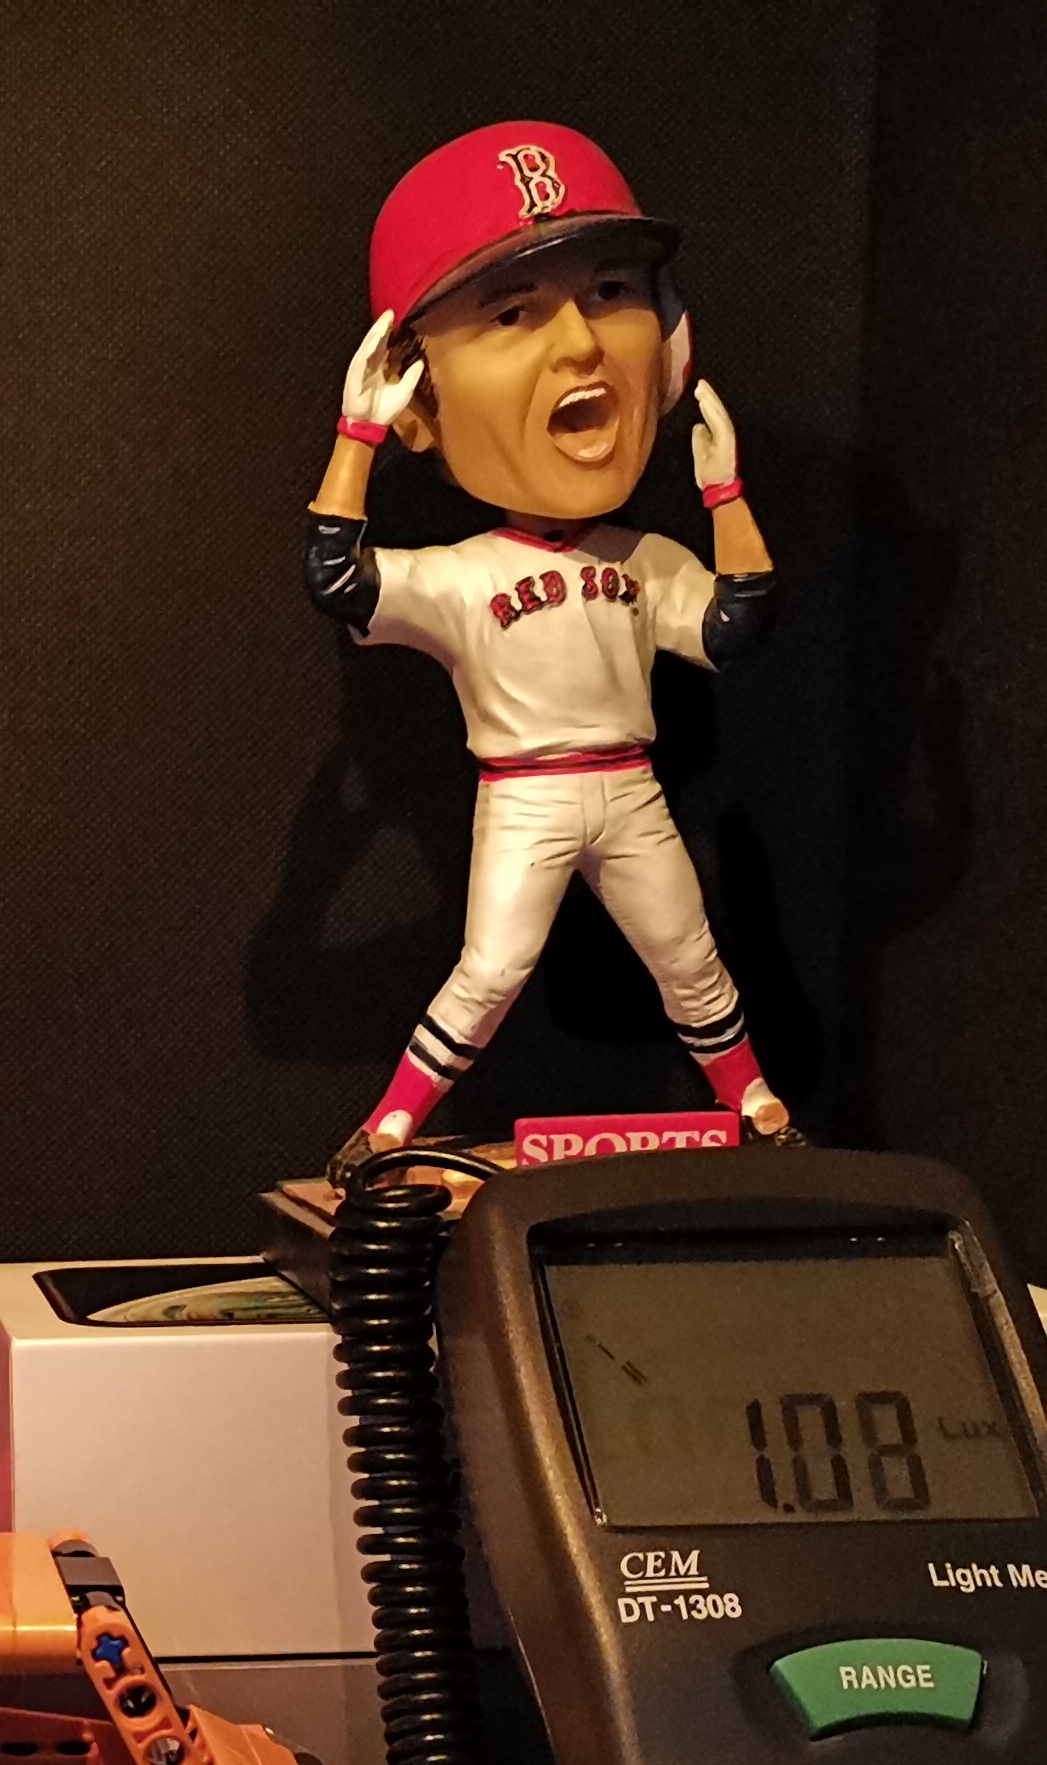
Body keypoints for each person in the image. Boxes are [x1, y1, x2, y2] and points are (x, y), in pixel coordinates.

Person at [303, 120, 796, 1167]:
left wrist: (725, 496)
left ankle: (759, 1106)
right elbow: (337, 576)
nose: (579, 345)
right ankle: (388, 1126)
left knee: (691, 958)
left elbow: (735, 624)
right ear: (420, 399)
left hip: (628, 789)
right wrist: (356, 439)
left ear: (671, 347)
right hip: (524, 795)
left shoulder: (649, 559)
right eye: (513, 311)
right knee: (488, 973)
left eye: (612, 291)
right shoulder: (461, 574)